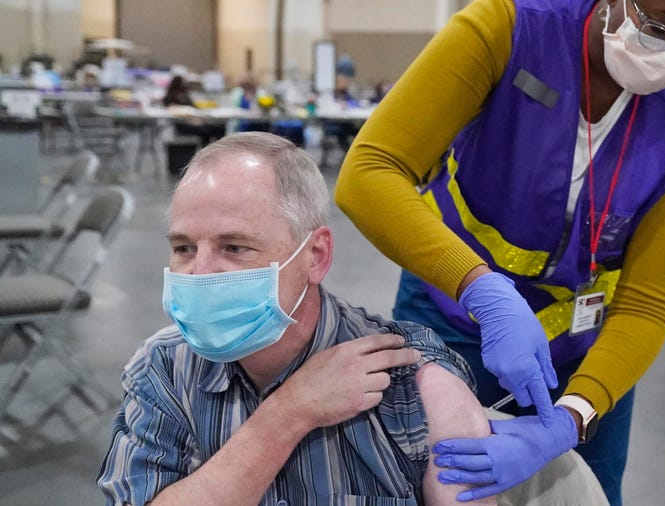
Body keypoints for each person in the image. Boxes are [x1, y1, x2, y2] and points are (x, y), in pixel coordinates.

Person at [335, 0, 665, 503]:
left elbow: (647, 303)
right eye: (658, 28)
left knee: (587, 491)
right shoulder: (508, 29)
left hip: (587, 346)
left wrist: (574, 417)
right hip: (455, 314)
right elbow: (370, 172)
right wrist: (479, 287)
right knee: (443, 481)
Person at [96, 132, 500, 505]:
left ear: (316, 255)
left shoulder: (415, 383)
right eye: (184, 248)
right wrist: (288, 413)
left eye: (235, 247)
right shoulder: (163, 368)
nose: (200, 273)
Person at [162, 75, 225, 146]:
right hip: (183, 124)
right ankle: (204, 151)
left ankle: (218, 150)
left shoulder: (185, 95)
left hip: (194, 121)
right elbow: (170, 109)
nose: (184, 85)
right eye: (183, 83)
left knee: (219, 127)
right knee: (206, 131)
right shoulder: (170, 96)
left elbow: (194, 107)